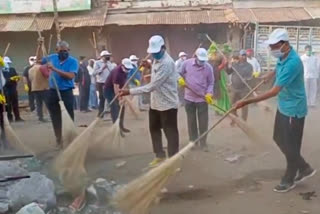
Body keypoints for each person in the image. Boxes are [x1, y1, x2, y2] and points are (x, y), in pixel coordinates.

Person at [235, 28, 316, 193]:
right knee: (279, 138)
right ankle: (304, 167)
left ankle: (290, 177)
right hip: (284, 106)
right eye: (271, 47)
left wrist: (247, 101)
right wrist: (270, 74)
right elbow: (279, 67)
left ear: (285, 44)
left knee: (291, 145)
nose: (272, 50)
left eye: (274, 46)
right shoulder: (284, 56)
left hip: (294, 109)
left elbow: (273, 92)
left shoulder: (293, 63)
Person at [120, 35, 179, 168]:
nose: (155, 55)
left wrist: (129, 92)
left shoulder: (167, 63)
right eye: (153, 53)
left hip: (168, 104)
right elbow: (155, 73)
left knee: (171, 133)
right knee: (154, 129)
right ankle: (159, 155)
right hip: (155, 103)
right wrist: (150, 65)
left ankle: (173, 161)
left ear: (163, 48)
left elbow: (152, 86)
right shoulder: (157, 60)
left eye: (157, 52)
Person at [42, 40, 79, 147]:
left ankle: (70, 139)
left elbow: (71, 76)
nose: (63, 53)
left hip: (66, 92)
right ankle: (59, 139)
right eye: (61, 51)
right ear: (56, 50)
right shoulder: (52, 58)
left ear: (69, 50)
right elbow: (39, 59)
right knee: (55, 117)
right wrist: (40, 46)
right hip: (53, 92)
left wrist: (54, 69)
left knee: (68, 116)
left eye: (65, 51)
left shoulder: (73, 61)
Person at [178, 48, 214, 151]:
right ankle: (193, 142)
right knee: (191, 121)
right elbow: (178, 73)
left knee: (203, 122)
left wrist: (209, 93)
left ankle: (203, 143)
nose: (202, 62)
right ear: (195, 57)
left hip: (202, 100)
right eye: (200, 60)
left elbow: (211, 82)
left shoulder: (208, 68)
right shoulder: (186, 64)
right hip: (189, 98)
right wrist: (180, 79)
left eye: (204, 60)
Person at [104, 58, 133, 136]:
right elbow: (115, 87)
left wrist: (124, 93)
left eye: (129, 68)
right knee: (115, 109)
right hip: (109, 91)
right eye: (127, 68)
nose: (128, 69)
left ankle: (121, 126)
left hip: (119, 89)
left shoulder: (125, 71)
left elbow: (124, 82)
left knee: (122, 108)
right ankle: (116, 129)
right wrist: (119, 98)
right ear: (122, 65)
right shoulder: (117, 72)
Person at [226, 50, 253, 122]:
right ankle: (234, 119)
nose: (243, 57)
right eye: (242, 55)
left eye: (244, 55)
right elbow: (228, 72)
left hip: (244, 89)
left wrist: (246, 79)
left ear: (246, 56)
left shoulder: (249, 66)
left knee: (244, 105)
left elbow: (250, 77)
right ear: (239, 56)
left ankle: (244, 120)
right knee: (232, 105)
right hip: (234, 88)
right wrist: (229, 66)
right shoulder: (234, 64)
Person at [29, 51, 50, 122]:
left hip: (35, 88)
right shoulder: (42, 67)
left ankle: (40, 117)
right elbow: (48, 75)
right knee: (48, 103)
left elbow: (30, 78)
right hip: (43, 88)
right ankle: (52, 116)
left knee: (38, 104)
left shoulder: (30, 69)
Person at [93, 51, 115, 116]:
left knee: (110, 97)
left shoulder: (109, 63)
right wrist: (102, 69)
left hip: (109, 83)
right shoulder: (97, 63)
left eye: (108, 56)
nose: (108, 57)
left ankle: (112, 112)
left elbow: (112, 72)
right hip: (101, 82)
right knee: (102, 98)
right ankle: (100, 113)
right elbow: (94, 73)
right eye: (106, 56)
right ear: (102, 57)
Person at [3, 57, 23, 122]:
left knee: (15, 104)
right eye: (6, 63)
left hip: (13, 89)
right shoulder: (2, 71)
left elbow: (16, 76)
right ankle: (9, 117)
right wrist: (10, 79)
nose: (8, 64)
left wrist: (17, 78)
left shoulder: (12, 69)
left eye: (8, 63)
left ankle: (17, 117)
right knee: (8, 105)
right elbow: (2, 81)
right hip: (5, 90)